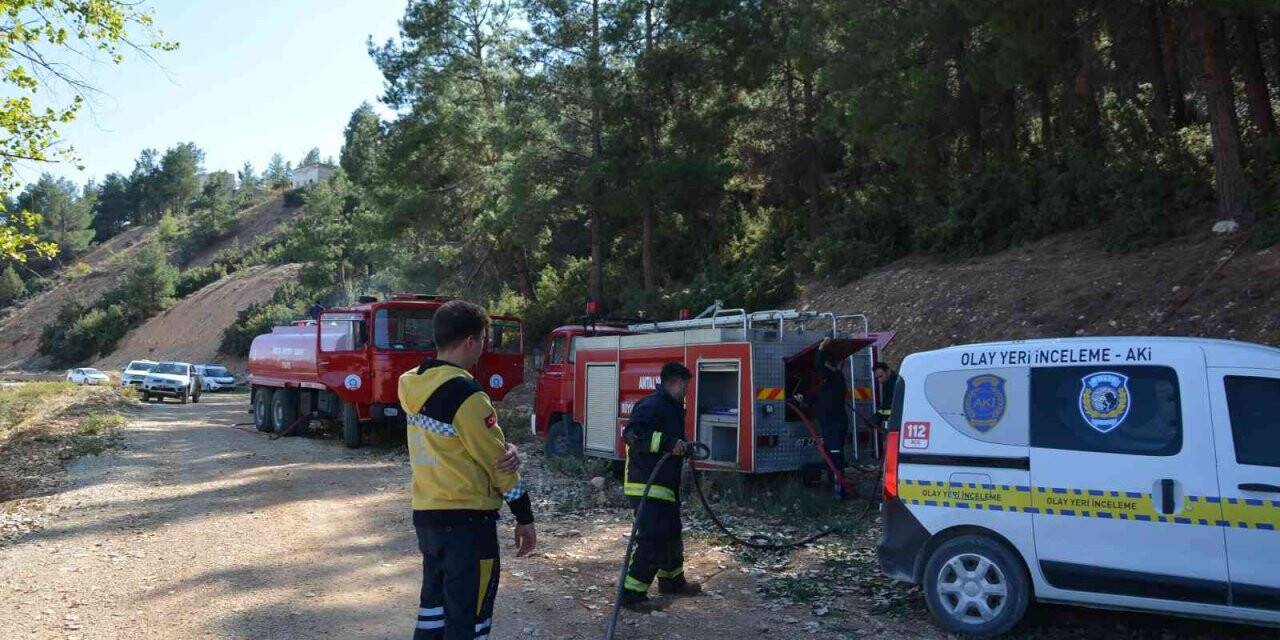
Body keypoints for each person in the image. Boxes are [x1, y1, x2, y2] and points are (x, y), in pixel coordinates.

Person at [398, 300, 536, 640]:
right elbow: (498, 464)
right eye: (484, 339)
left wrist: (500, 447)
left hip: (428, 517)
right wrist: (524, 516)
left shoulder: (409, 384)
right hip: (468, 524)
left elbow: (454, 443)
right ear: (471, 341)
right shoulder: (468, 396)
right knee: (469, 620)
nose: (484, 348)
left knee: (433, 614)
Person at [619, 362, 702, 611]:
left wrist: (682, 448)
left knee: (671, 533)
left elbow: (671, 443)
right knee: (652, 538)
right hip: (646, 484)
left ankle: (672, 581)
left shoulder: (672, 408)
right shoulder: (652, 405)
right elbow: (633, 435)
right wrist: (668, 443)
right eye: (686, 386)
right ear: (676, 382)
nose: (687, 391)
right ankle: (632, 594)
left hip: (664, 485)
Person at [812, 337, 851, 499]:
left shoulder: (835, 378)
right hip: (831, 424)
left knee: (835, 458)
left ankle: (839, 492)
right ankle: (834, 489)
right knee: (831, 457)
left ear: (829, 365)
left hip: (835, 425)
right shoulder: (831, 381)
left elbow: (818, 365)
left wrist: (822, 347)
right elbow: (820, 399)